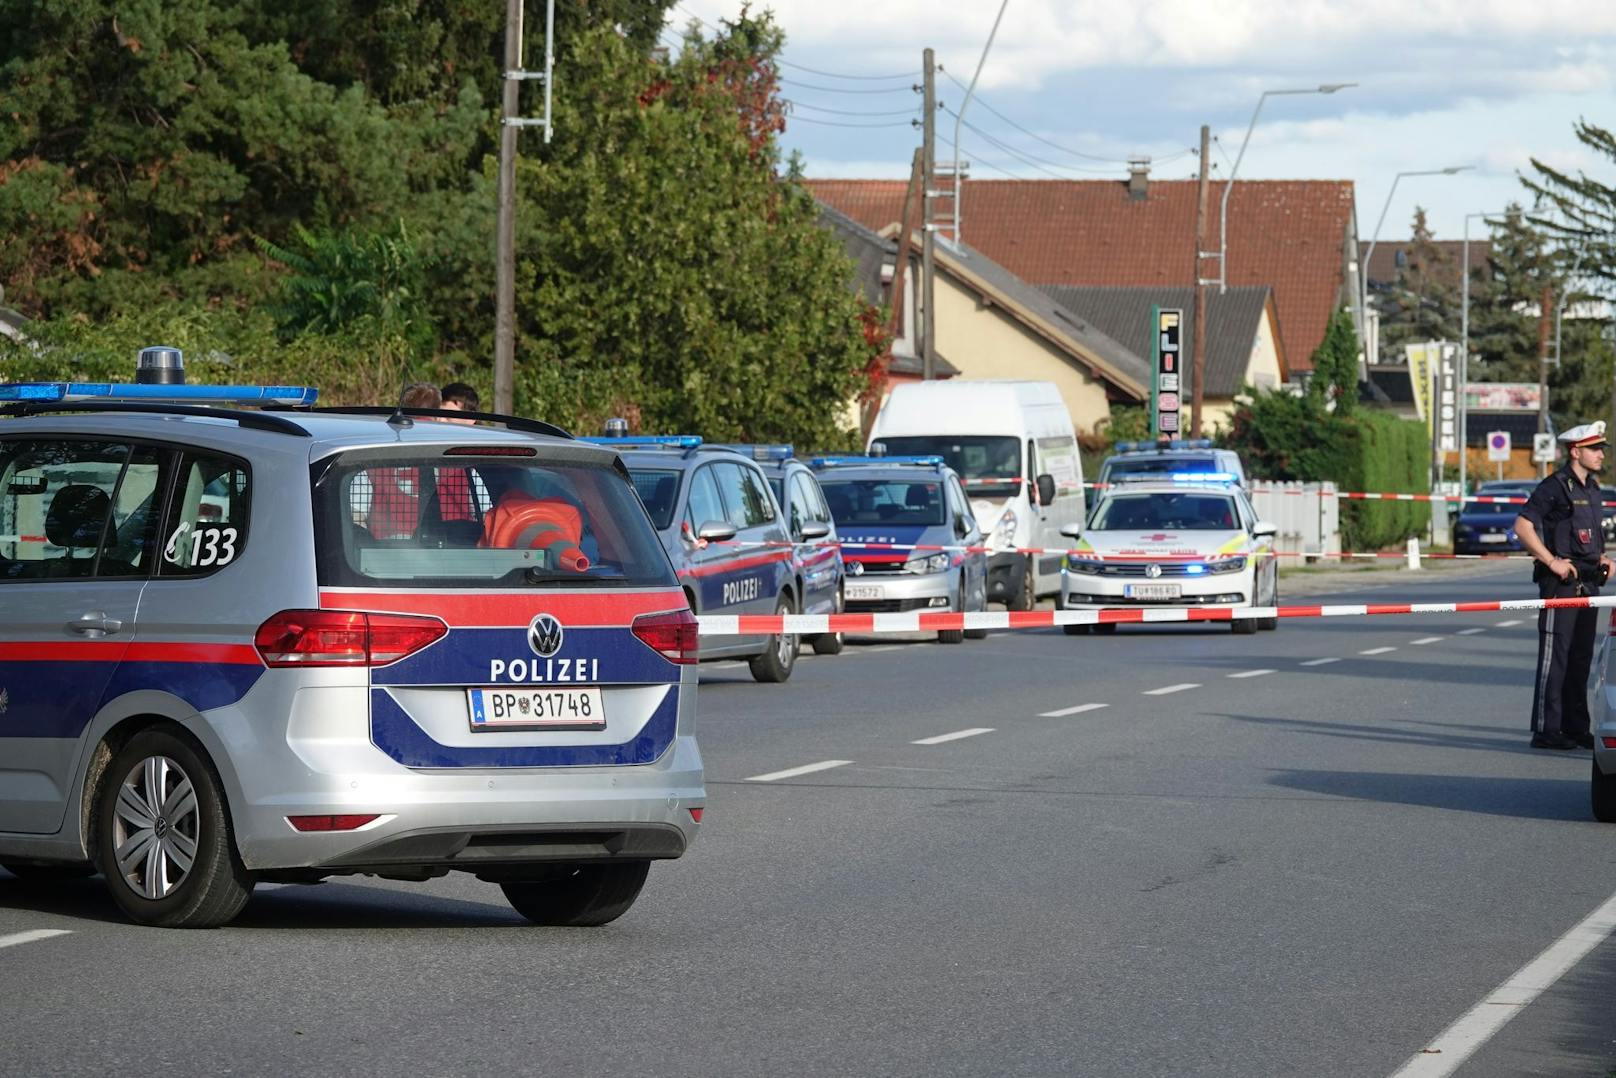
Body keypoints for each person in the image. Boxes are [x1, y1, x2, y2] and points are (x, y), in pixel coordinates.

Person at [1514, 421, 1616, 750]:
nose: (1601, 454)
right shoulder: (1555, 485)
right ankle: (1547, 729)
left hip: (1588, 584)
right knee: (1555, 657)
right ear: (1575, 451)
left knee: (1581, 658)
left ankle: (1575, 727)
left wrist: (1604, 558)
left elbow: (1590, 535)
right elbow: (1523, 526)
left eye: (1602, 448)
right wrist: (1550, 560)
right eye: (1594, 449)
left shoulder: (1593, 488)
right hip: (1561, 585)